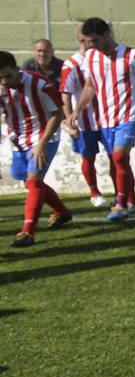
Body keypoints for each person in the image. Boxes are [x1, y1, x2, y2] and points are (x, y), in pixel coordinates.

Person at [67, 17, 135, 221]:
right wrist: (76, 110)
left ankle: (120, 203)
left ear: (106, 34)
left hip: (129, 116)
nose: (92, 45)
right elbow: (90, 86)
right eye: (88, 41)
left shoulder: (132, 56)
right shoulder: (90, 57)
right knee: (120, 161)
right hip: (106, 119)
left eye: (95, 40)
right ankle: (131, 202)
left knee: (119, 157)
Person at [1, 50, 72, 246]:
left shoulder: (40, 84)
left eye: (8, 76)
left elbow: (57, 114)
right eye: (0, 78)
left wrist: (42, 144)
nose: (4, 82)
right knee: (28, 181)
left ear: (17, 69)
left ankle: (27, 233)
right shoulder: (1, 86)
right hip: (19, 141)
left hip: (45, 137)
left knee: (33, 181)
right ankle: (62, 212)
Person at [60, 33, 113, 207]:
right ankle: (94, 192)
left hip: (108, 118)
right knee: (88, 157)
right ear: (82, 41)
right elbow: (65, 96)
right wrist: (70, 122)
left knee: (116, 156)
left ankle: (121, 192)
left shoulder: (104, 58)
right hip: (84, 121)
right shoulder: (71, 65)